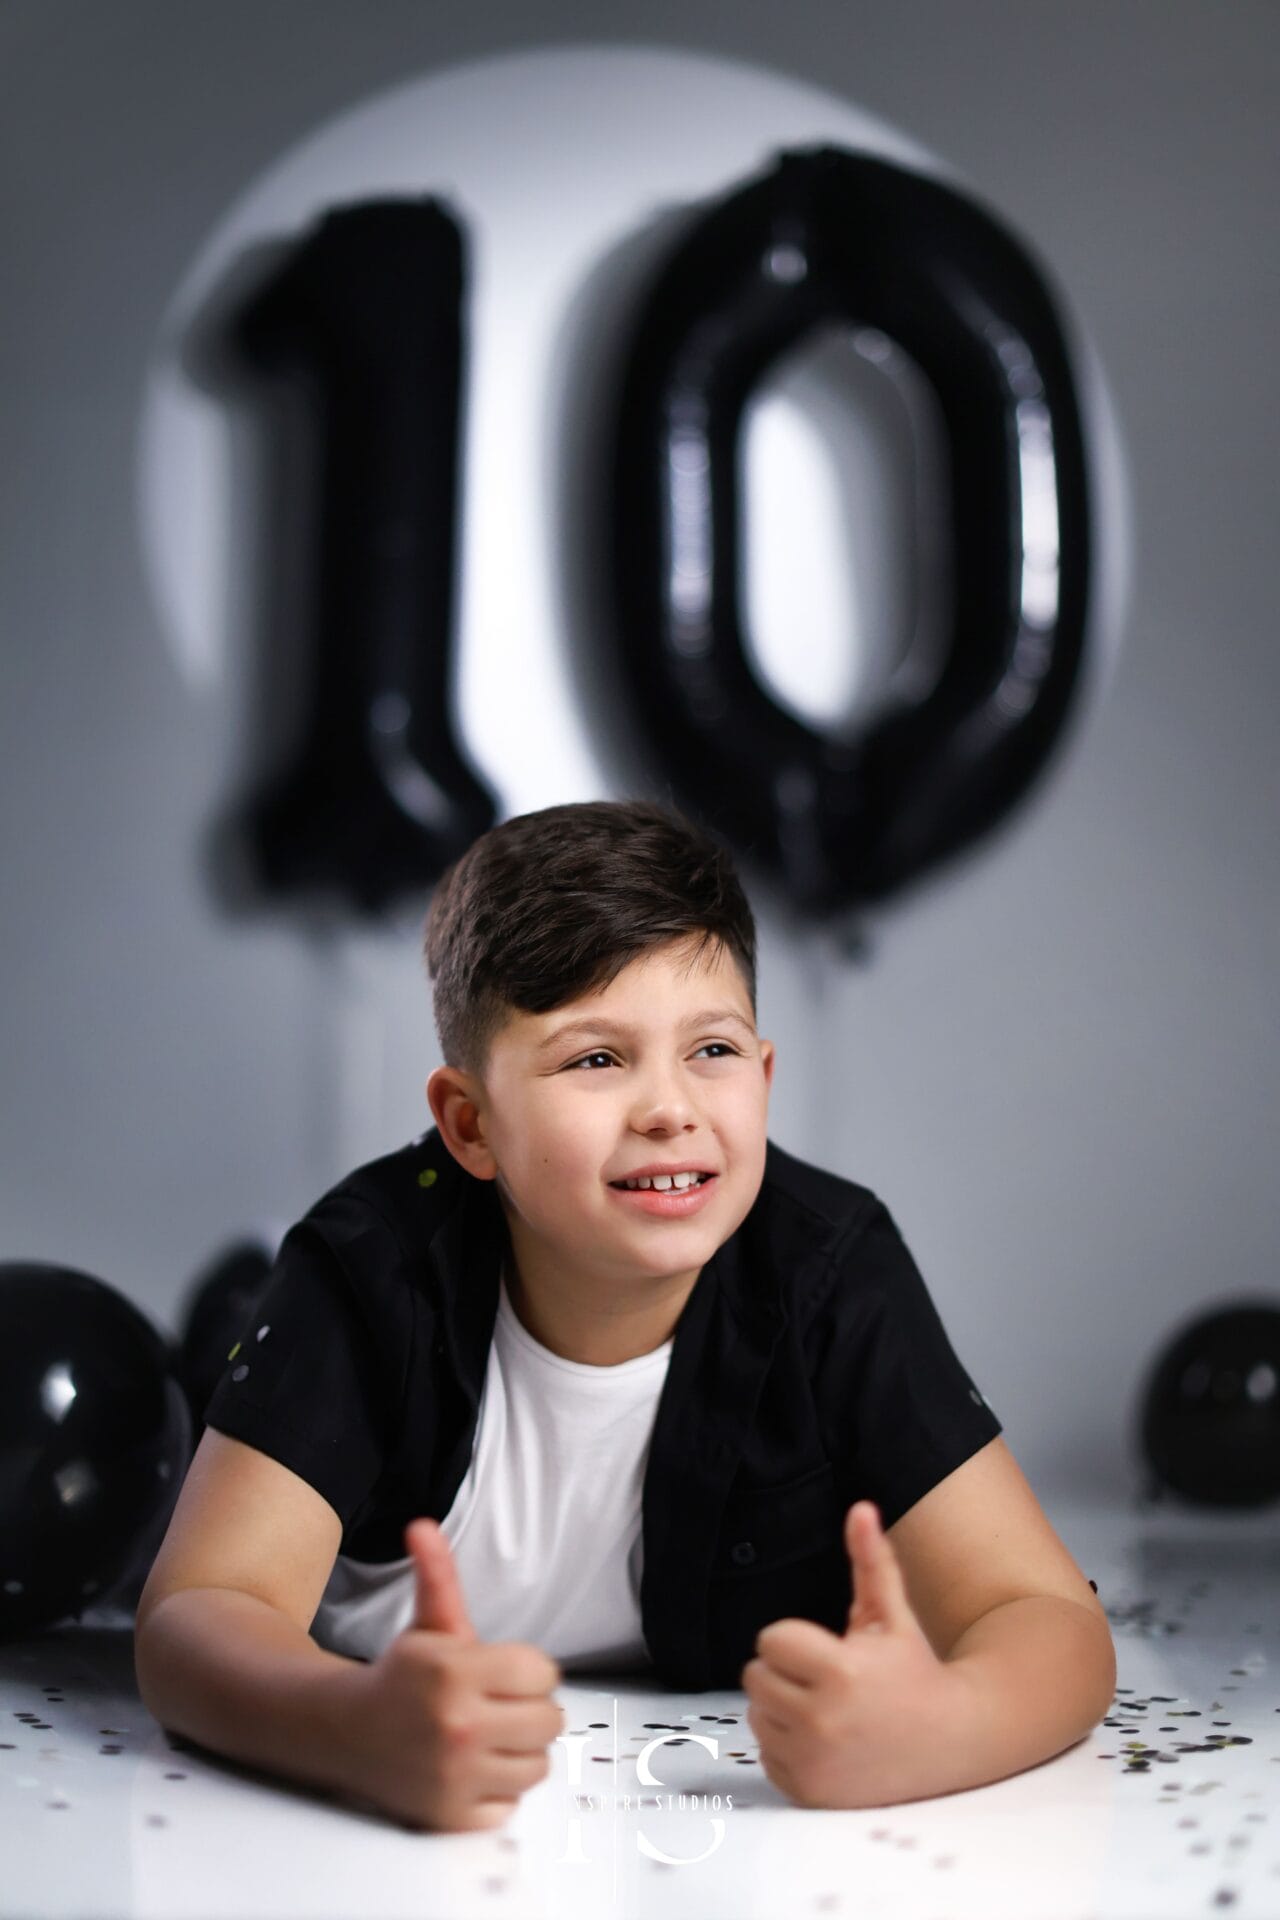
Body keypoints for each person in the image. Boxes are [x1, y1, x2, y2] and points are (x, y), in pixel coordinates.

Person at [134, 799, 1115, 1830]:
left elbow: (1045, 1615)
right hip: (260, 1330)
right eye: (595, 1059)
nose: (669, 1109)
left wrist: (938, 1726)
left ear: (764, 1076)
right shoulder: (368, 1269)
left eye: (712, 1051)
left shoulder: (831, 1267)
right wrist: (351, 1728)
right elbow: (198, 1607)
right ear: (470, 1124)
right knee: (195, 1371)